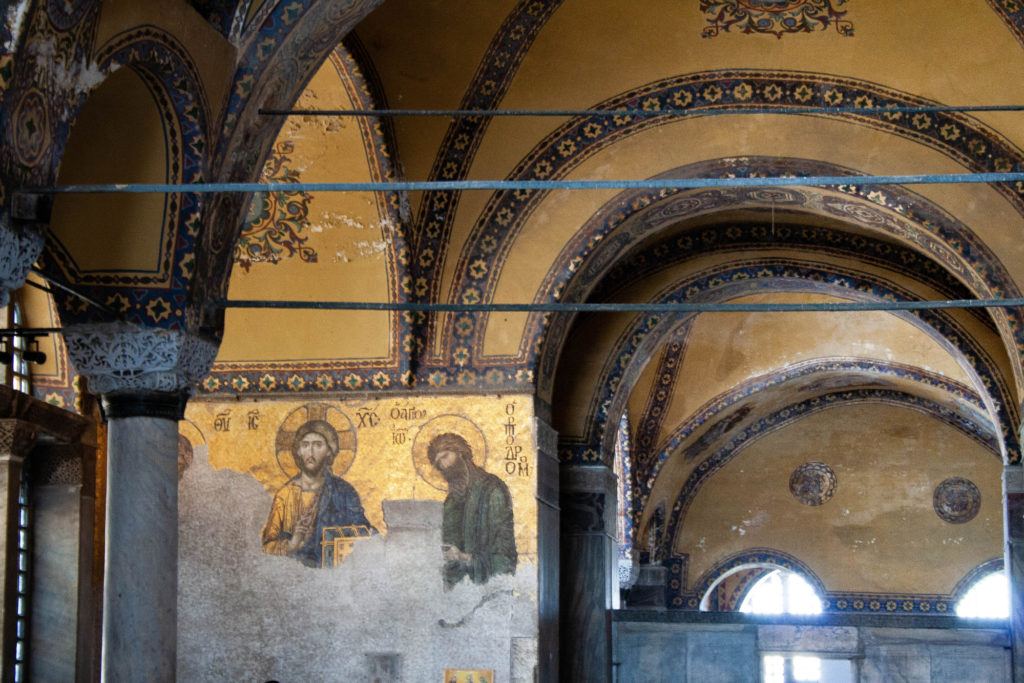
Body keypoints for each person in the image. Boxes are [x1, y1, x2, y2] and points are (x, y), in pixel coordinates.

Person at [262, 420, 374, 567]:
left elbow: (365, 534)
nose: (311, 452)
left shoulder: (344, 492)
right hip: (294, 576)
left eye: (318, 445)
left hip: (334, 576)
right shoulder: (285, 495)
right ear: (299, 451)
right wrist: (292, 544)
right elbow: (266, 547)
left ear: (329, 450)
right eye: (305, 445)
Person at [428, 432, 517, 588]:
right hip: (458, 587)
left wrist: (465, 558)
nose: (444, 466)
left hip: (488, 585)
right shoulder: (451, 501)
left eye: (445, 456)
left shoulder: (492, 489)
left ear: (461, 452)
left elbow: (504, 554)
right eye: (438, 464)